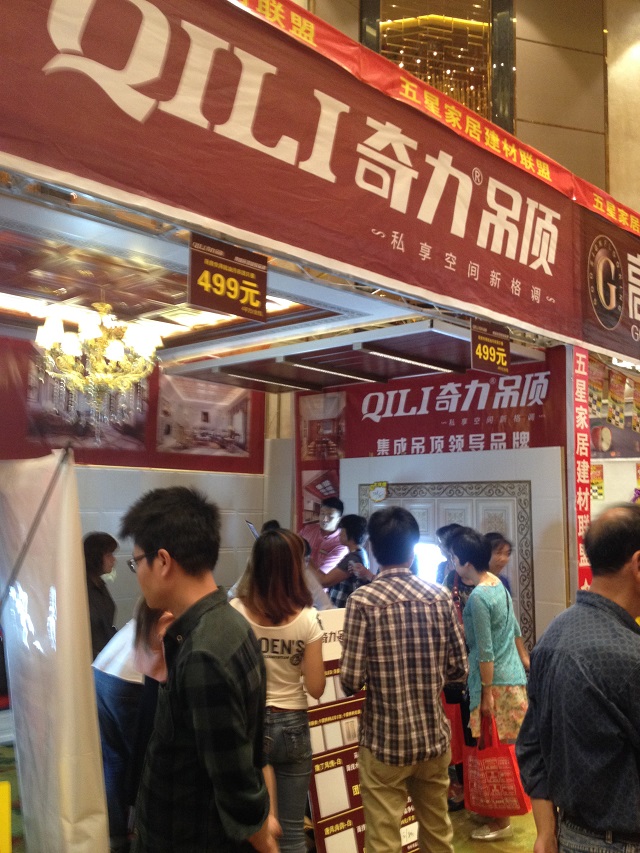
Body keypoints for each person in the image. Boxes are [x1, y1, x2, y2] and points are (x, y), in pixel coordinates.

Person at [119, 486, 279, 853]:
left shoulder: (204, 651)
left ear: (163, 561)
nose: (136, 573)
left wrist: (262, 838)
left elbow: (235, 777)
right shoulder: (228, 623)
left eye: (136, 561)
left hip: (190, 838)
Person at [340, 506, 468, 853]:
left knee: (383, 841)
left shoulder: (362, 601)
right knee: (438, 833)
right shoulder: (440, 597)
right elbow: (459, 668)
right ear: (412, 550)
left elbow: (350, 681)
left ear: (372, 548)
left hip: (384, 742)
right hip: (433, 738)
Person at [516, 504, 640, 853]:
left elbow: (532, 746)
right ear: (638, 564)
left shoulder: (554, 634)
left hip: (569, 834)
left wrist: (545, 832)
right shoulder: (629, 655)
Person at [231, 528, 326, 853]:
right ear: (295, 566)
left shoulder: (236, 611)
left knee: (253, 829)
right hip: (293, 725)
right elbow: (316, 687)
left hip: (249, 724)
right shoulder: (309, 618)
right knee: (293, 832)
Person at [448, 527, 528, 841]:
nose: (452, 562)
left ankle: (500, 821)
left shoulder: (480, 596)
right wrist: (524, 659)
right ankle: (494, 812)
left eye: (454, 558)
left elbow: (485, 650)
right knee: (502, 750)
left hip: (494, 684)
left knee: (495, 753)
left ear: (465, 562)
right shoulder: (496, 583)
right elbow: (514, 626)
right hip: (512, 679)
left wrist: (486, 694)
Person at [93, 599, 173, 853]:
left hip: (103, 672)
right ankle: (141, 833)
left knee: (113, 762)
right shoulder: (171, 608)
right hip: (128, 682)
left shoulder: (151, 604)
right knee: (144, 765)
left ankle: (117, 837)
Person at [308, 514, 373, 607]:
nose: (339, 533)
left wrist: (307, 560)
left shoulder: (353, 558)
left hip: (342, 610)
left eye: (342, 530)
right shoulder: (360, 553)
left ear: (350, 534)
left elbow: (324, 581)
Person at [84, 531, 118, 660]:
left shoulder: (99, 584)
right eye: (109, 555)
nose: (113, 559)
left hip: (105, 657)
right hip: (91, 661)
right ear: (96, 557)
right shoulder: (82, 588)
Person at [298, 497, 348, 576]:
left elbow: (321, 574)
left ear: (339, 519)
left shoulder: (342, 544)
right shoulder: (308, 529)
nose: (324, 519)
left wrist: (304, 557)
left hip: (317, 582)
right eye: (322, 514)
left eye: (330, 516)